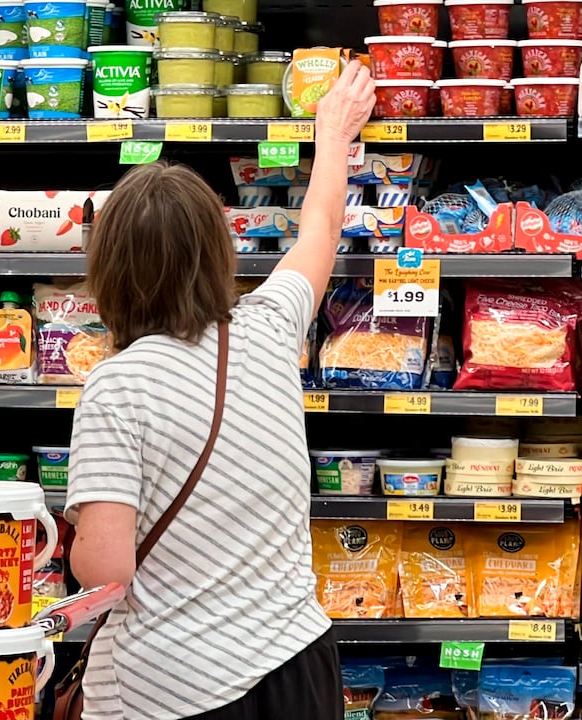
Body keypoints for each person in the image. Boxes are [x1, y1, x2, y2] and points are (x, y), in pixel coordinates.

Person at [65, 61, 377, 720]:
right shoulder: (267, 328)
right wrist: (333, 133)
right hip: (299, 664)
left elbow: (103, 569)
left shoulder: (118, 385)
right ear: (218, 253)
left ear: (108, 269)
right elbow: (318, 227)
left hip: (181, 687)